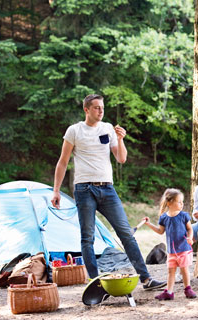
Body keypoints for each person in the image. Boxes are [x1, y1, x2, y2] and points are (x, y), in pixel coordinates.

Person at [51, 94, 165, 290]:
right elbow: (62, 162)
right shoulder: (74, 131)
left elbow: (121, 158)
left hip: (107, 189)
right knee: (87, 238)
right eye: (96, 108)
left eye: (102, 107)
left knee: (126, 234)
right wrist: (56, 191)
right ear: (87, 110)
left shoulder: (108, 129)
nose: (101, 111)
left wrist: (120, 139)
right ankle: (96, 284)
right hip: (84, 189)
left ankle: (146, 279)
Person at [143, 188, 197, 300]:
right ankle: (169, 292)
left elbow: (190, 229)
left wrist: (190, 237)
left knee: (184, 269)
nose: (182, 204)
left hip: (183, 249)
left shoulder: (184, 216)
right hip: (171, 252)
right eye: (179, 201)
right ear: (169, 203)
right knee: (170, 271)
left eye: (182, 201)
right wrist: (148, 224)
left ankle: (188, 289)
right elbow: (160, 231)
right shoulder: (164, 218)